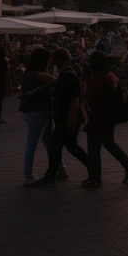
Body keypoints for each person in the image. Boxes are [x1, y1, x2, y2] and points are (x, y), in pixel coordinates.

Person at [33, 49, 89, 186]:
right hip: (63, 117)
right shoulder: (65, 74)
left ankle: (50, 176)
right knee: (68, 146)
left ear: (58, 59)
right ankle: (93, 168)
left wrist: (71, 117)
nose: (50, 61)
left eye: (52, 58)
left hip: (66, 117)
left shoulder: (68, 75)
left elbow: (74, 98)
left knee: (59, 146)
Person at [83, 51, 128, 187]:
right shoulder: (110, 76)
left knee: (93, 147)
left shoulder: (98, 79)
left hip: (99, 116)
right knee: (108, 143)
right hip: (109, 116)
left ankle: (95, 177)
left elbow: (93, 99)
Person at [19, 47, 56, 186]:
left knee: (49, 142)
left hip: (30, 110)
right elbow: (57, 82)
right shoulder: (39, 75)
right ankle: (28, 176)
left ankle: (60, 167)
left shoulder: (26, 74)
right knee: (33, 143)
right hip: (39, 111)